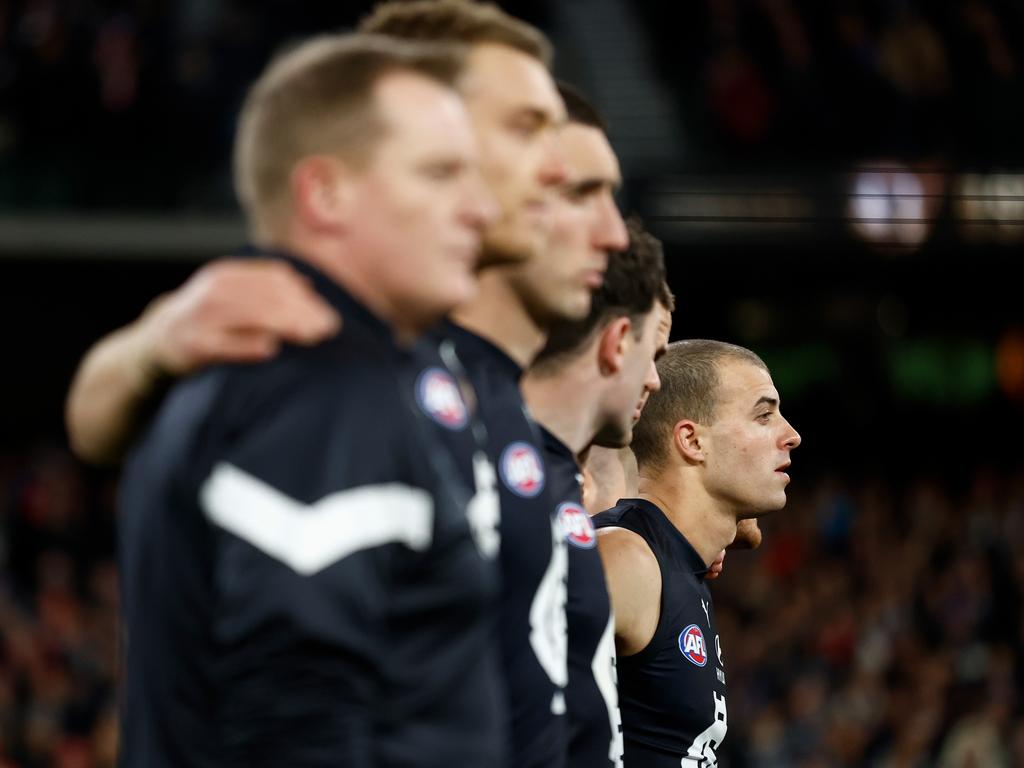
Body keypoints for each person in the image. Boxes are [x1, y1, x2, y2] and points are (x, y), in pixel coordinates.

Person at [118, 33, 505, 766]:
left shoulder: (252, 376)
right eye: (440, 174)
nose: (480, 210)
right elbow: (295, 730)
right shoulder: (326, 392)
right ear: (324, 194)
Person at [593, 339, 801, 766]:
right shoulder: (628, 559)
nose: (791, 435)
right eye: (763, 415)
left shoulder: (676, 560)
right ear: (692, 440)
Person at [522, 212, 673, 768]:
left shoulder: (563, 483)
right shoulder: (508, 478)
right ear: (615, 343)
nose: (655, 381)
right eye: (653, 356)